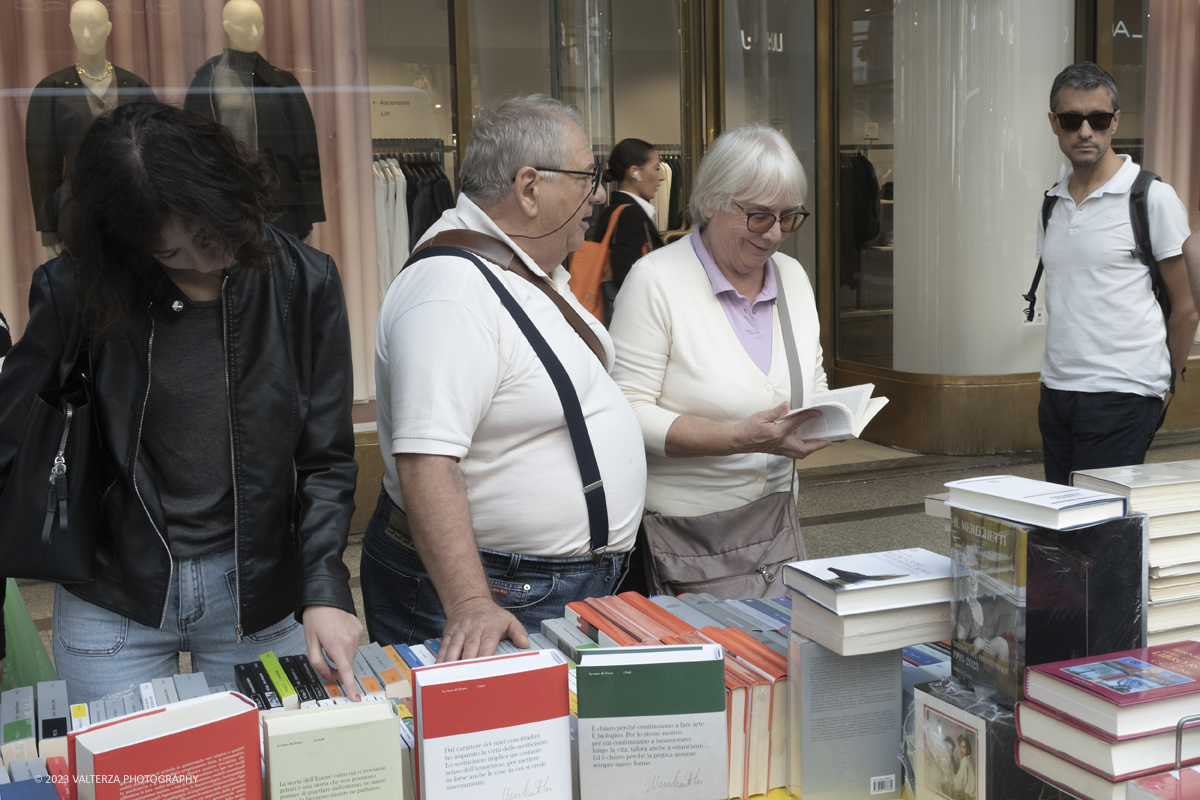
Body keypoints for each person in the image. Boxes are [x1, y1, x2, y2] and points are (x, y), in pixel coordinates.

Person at [0, 102, 362, 702]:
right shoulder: (78, 290)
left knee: (268, 780)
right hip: (112, 591)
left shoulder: (304, 282)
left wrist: (324, 587)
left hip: (258, 590)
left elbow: (326, 458)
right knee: (130, 786)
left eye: (211, 235)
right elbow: (11, 436)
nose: (205, 260)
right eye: (170, 254)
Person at [365, 94, 647, 663]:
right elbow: (426, 461)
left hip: (537, 583)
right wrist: (469, 602)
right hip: (501, 592)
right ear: (528, 186)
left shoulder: (513, 264)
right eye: (587, 176)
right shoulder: (451, 292)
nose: (598, 193)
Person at [608, 124, 830, 587]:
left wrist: (829, 420)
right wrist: (737, 438)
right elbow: (625, 411)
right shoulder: (656, 280)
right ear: (710, 202)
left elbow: (814, 381)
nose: (774, 235)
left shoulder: (792, 277)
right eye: (759, 216)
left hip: (774, 533)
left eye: (788, 217)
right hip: (682, 541)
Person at [1037, 62, 1199, 484]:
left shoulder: (1151, 198)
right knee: (1061, 525)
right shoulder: (1051, 203)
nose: (1085, 131)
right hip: (1056, 390)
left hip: (1123, 392)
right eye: (1072, 120)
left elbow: (1187, 307)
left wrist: (1164, 386)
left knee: (1101, 530)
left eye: (1099, 119)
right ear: (1055, 123)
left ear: (1115, 122)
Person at [592, 138, 665, 325]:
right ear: (635, 173)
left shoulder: (613, 210)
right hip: (632, 320)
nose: (662, 176)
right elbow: (626, 275)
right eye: (656, 168)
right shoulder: (631, 214)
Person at [951, 734, 976, 799]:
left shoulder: (965, 761)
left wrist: (952, 776)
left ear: (968, 749)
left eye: (963, 747)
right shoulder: (970, 761)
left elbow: (958, 784)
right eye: (960, 746)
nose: (961, 750)